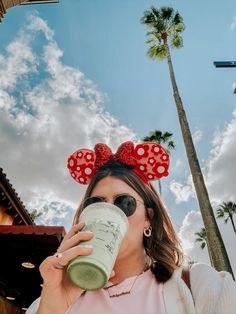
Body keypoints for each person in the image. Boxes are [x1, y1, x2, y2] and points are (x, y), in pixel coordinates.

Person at [26, 141, 236, 314]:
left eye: (124, 203)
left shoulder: (198, 286)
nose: (108, 215)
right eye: (96, 204)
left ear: (148, 218)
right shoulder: (47, 304)